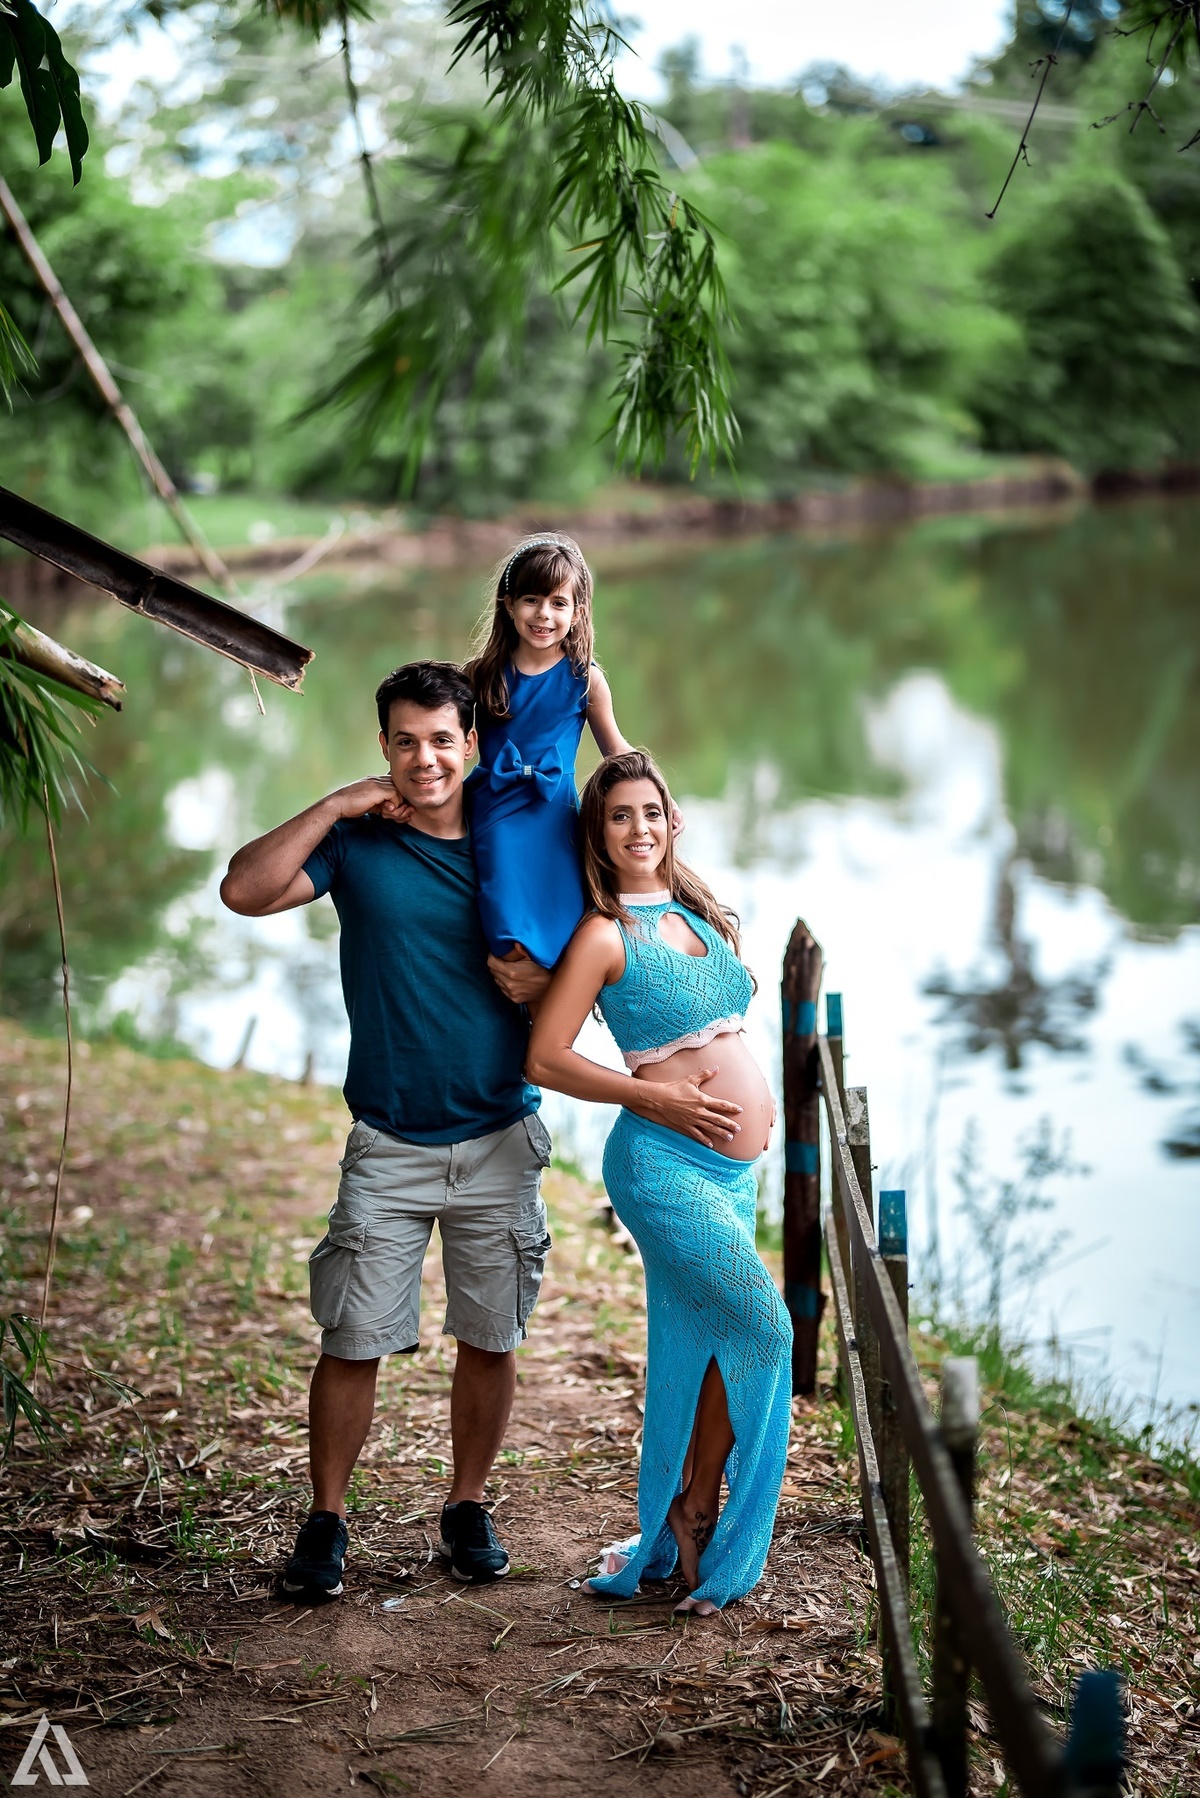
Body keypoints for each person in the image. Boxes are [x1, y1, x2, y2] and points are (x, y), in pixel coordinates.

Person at [219, 661, 557, 1599]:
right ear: (384, 747)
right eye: (406, 741)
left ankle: (467, 1506)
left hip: (500, 1136)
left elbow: (598, 929)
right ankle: (326, 1519)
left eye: (443, 739)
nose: (425, 758)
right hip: (389, 1141)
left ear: (472, 743)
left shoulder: (515, 839)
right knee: (352, 1339)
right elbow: (244, 891)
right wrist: (336, 803)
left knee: (490, 1335)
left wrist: (553, 982)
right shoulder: (357, 844)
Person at [526, 750, 793, 1615]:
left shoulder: (695, 911)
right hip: (662, 1164)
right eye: (619, 816)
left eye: (651, 811)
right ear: (597, 836)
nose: (638, 827)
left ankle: (692, 1507)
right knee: (767, 1329)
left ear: (672, 820)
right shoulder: (605, 935)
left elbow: (720, 1034)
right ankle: (703, 1515)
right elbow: (546, 1057)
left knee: (720, 1335)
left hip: (730, 1172)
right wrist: (656, 1097)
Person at [463, 532, 637, 972]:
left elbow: (616, 752)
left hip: (556, 819)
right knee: (507, 927)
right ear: (508, 604)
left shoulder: (585, 680)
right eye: (532, 599)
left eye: (558, 603)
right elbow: (444, 742)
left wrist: (659, 796)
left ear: (577, 613)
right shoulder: (480, 675)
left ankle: (551, 1013)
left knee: (562, 931)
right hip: (495, 812)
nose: (544, 614)